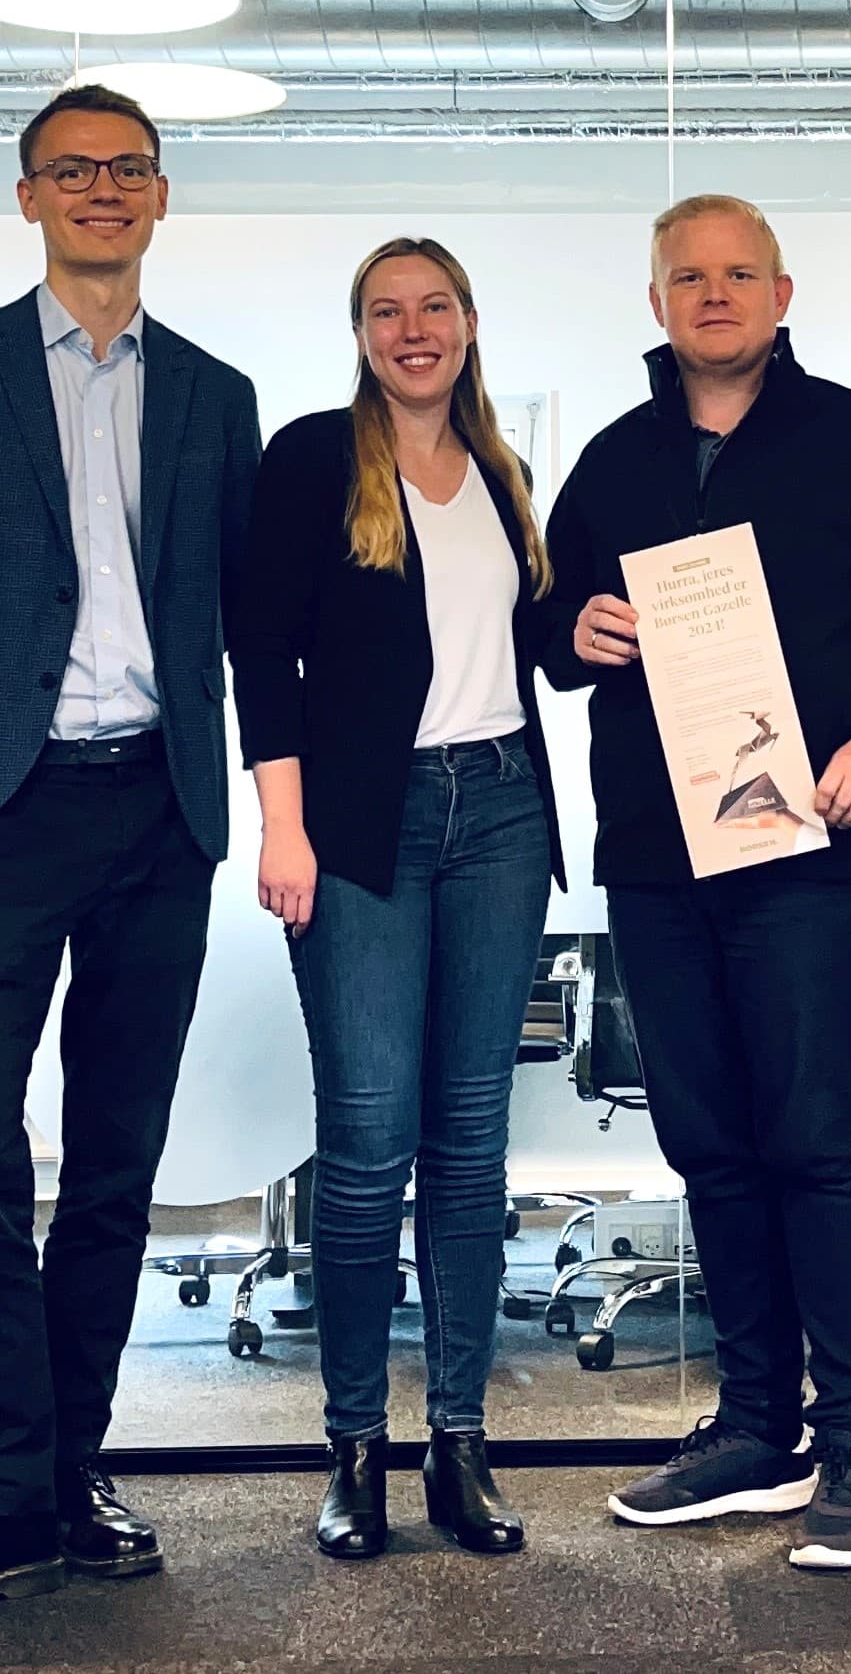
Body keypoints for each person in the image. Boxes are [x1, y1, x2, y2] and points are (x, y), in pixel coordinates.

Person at [0, 83, 261, 1631]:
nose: (102, 190)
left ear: (162, 197)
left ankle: (70, 1470)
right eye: (72, 171)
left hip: (160, 809)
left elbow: (234, 602)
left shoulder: (217, 395)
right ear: (27, 199)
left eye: (127, 169)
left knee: (118, 1162)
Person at [538, 194, 851, 1573]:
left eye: (739, 274)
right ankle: (754, 1426)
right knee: (710, 1141)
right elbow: (542, 628)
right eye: (689, 276)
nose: (714, 294)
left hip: (811, 847)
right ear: (657, 300)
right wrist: (576, 623)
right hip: (663, 860)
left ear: (782, 292)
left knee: (813, 1136)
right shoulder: (612, 463)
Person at [231, 237, 562, 1563]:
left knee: (470, 1145)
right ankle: (356, 1447)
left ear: (471, 322)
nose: (412, 330)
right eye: (387, 312)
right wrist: (285, 825)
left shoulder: (502, 472)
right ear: (360, 331)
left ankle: (462, 1445)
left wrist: (588, 630)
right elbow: (261, 647)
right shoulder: (316, 459)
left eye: (434, 308)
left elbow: (523, 642)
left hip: (502, 813)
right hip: (367, 823)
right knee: (368, 1142)